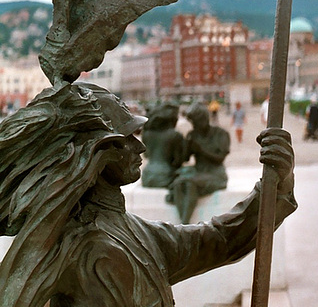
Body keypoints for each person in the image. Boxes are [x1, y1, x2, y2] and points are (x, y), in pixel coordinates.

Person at [0, 82, 296, 307]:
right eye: (127, 139)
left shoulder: (134, 231)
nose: (140, 148)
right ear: (98, 152)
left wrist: (275, 186)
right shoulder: (72, 246)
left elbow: (218, 240)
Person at [168, 102, 230, 223]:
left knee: (190, 183)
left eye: (195, 122)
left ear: (203, 119)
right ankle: (182, 225)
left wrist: (200, 150)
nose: (193, 125)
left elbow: (220, 158)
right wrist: (186, 146)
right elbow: (184, 159)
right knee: (178, 183)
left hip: (216, 174)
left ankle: (184, 224)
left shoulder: (221, 134)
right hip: (199, 173)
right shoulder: (193, 135)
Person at [141, 101, 185, 188]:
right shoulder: (175, 135)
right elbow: (177, 161)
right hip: (166, 176)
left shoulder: (146, 134)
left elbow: (146, 155)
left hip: (147, 175)